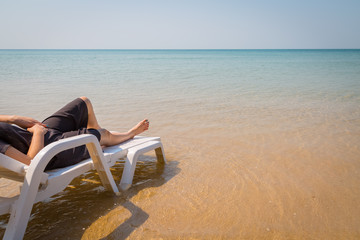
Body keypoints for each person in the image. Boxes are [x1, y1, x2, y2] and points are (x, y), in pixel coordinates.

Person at [0, 97, 149, 170]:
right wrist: (38, 133)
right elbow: (30, 164)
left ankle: (99, 140)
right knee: (102, 134)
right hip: (49, 151)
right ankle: (127, 134)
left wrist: (13, 119)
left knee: (84, 102)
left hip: (38, 133)